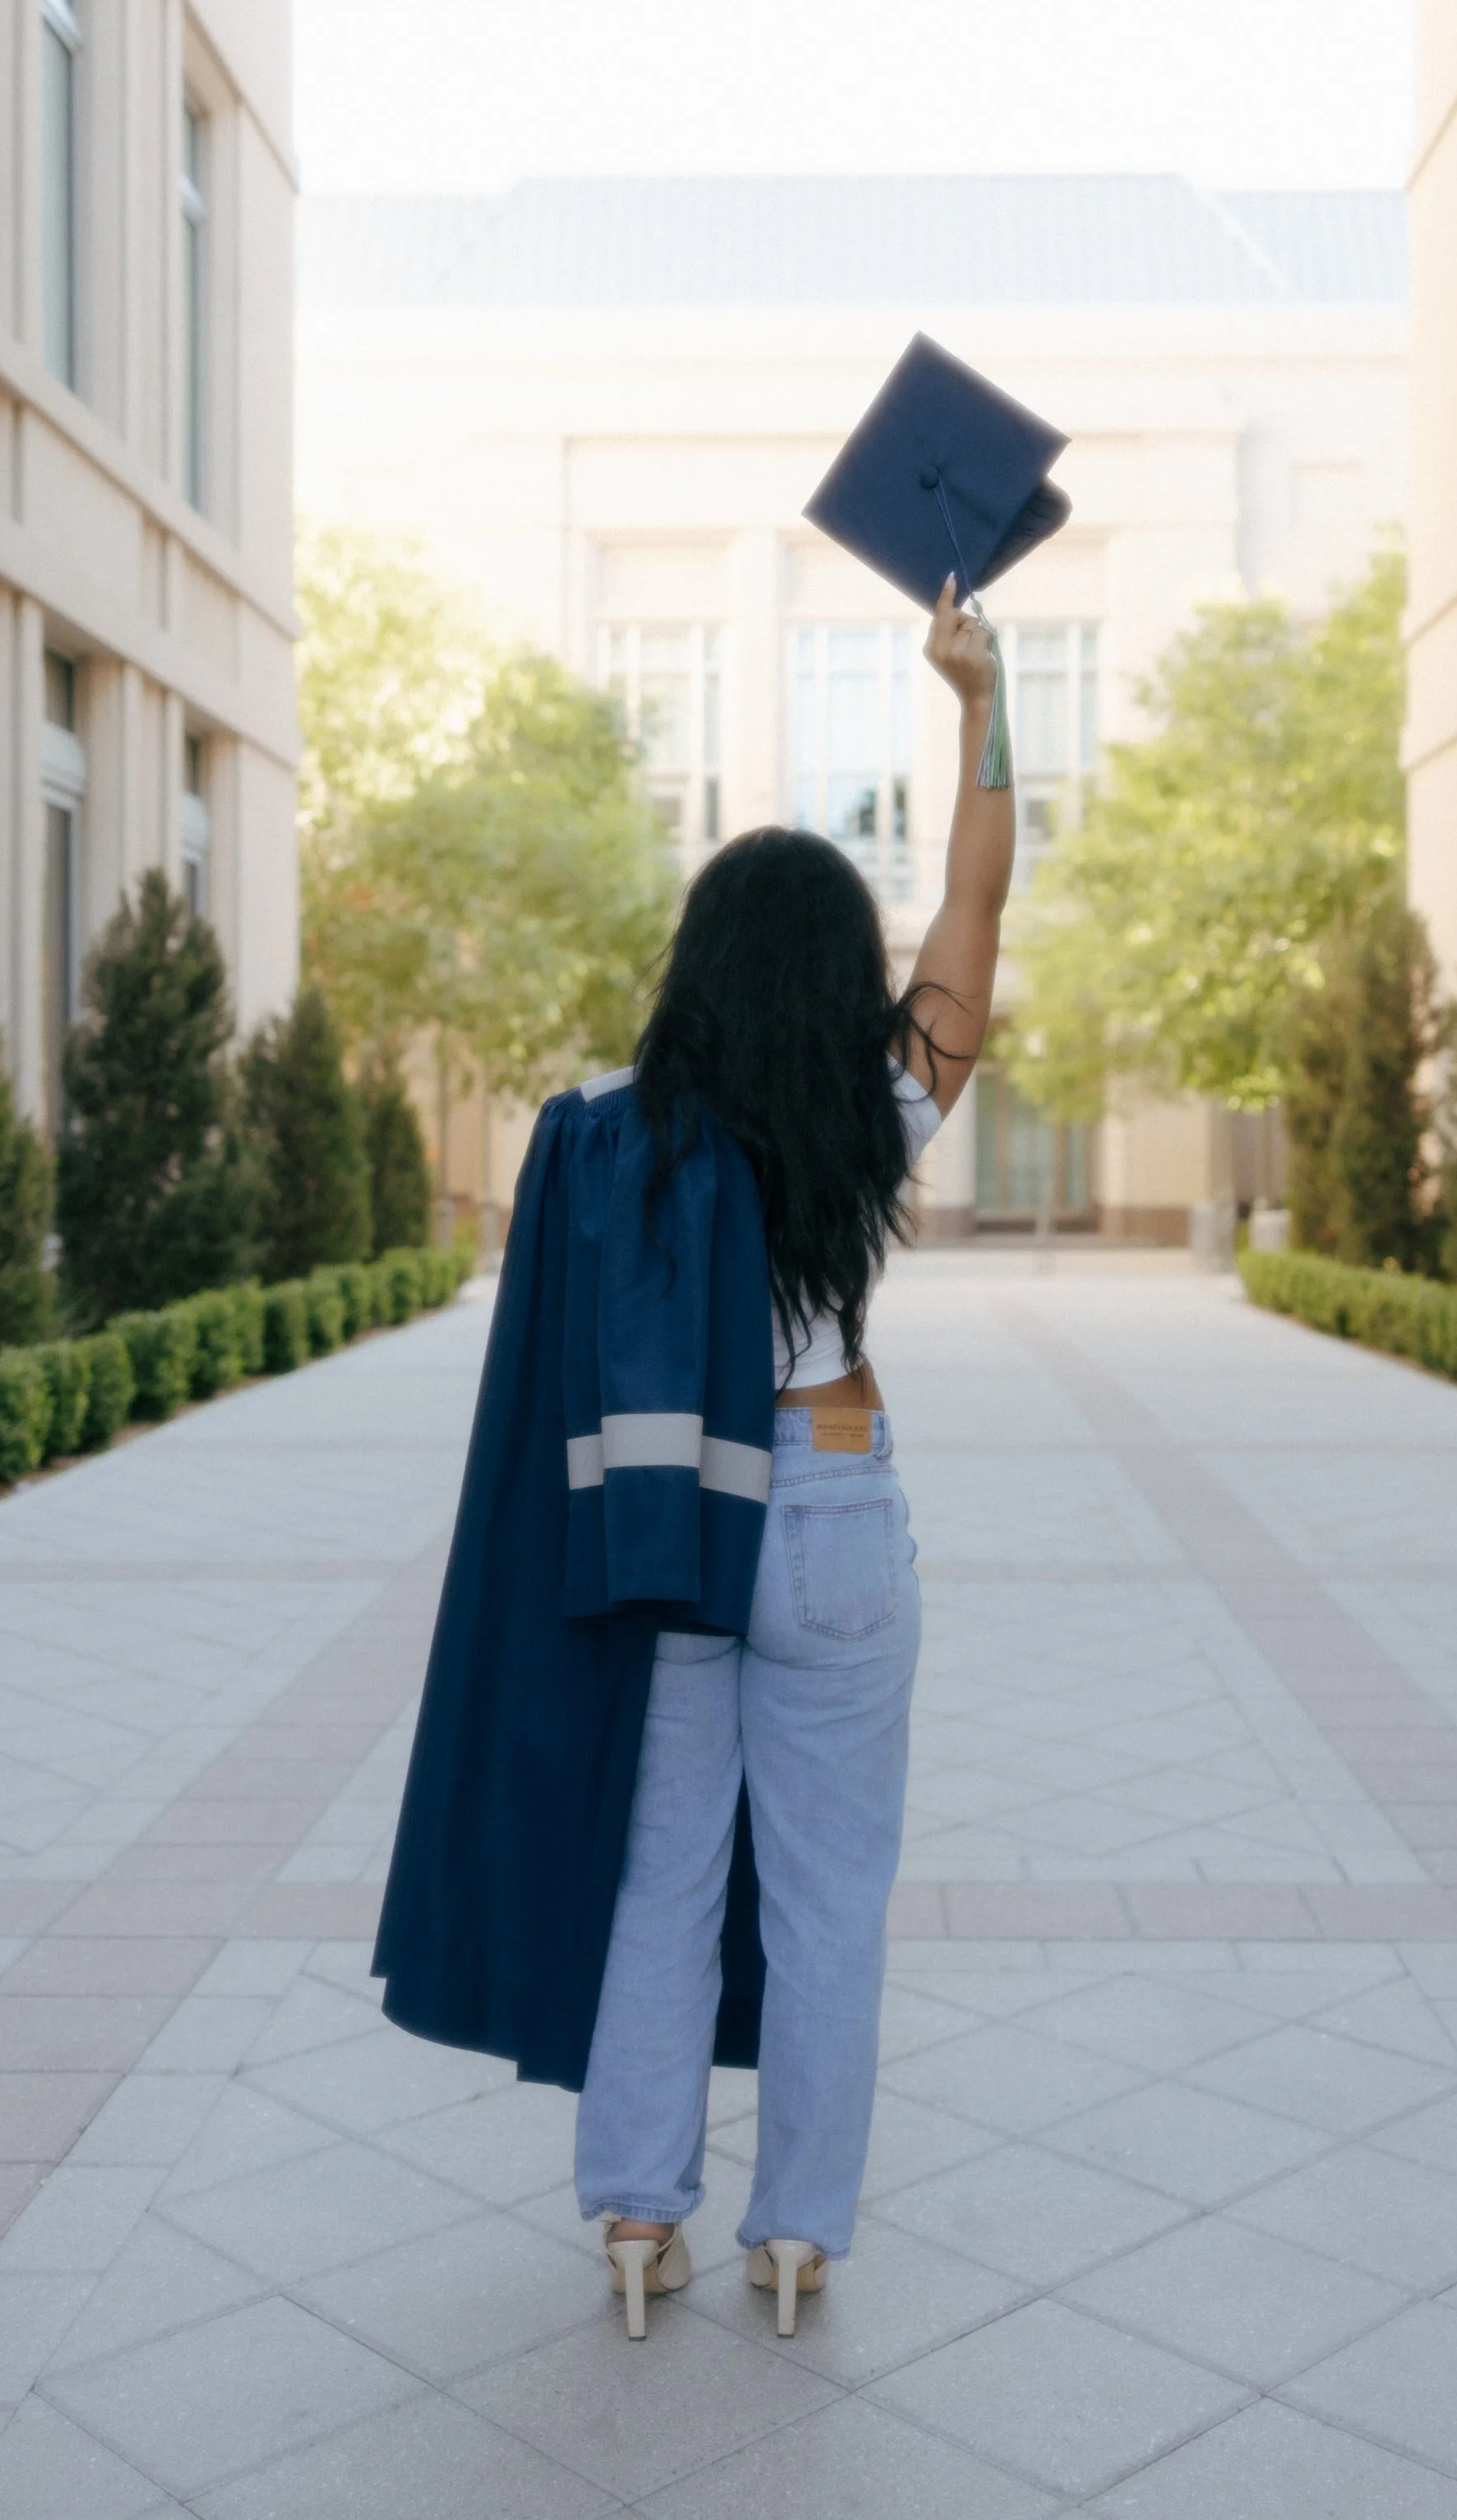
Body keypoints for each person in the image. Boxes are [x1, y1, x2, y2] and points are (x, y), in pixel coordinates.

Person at [578, 575, 1013, 2336]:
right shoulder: (881, 1098)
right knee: (830, 1892)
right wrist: (979, 703)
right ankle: (794, 2236)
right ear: (840, 969)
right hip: (830, 1499)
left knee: (662, 1877)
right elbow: (974, 896)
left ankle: (631, 2216)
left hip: (681, 1513)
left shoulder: (622, 1136)